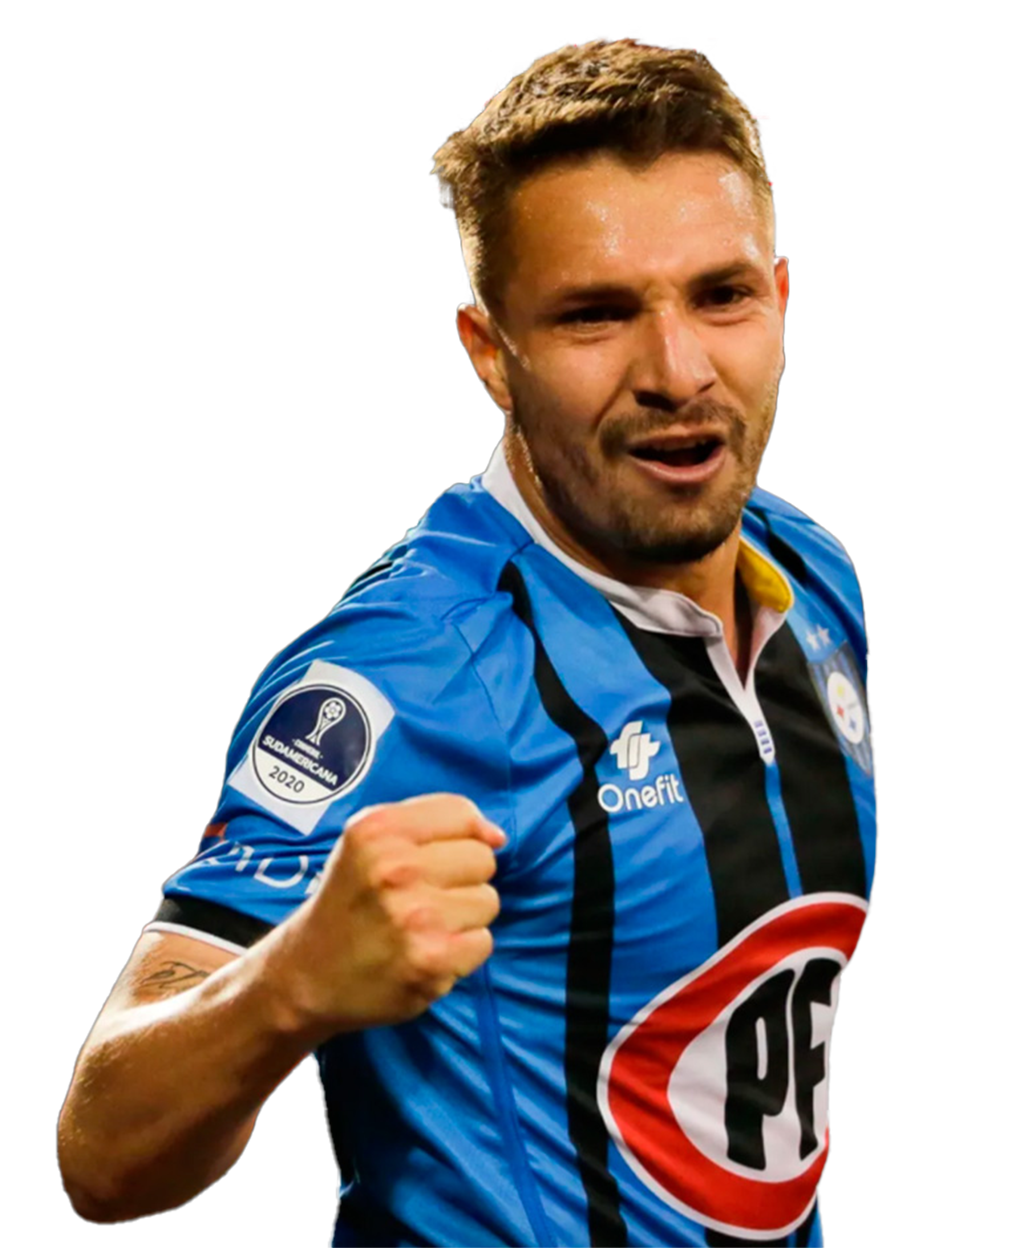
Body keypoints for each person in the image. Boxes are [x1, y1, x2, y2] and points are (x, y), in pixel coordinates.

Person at [57, 37, 875, 1248]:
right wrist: (286, 985)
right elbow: (102, 1153)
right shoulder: (406, 674)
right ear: (493, 356)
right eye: (595, 314)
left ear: (780, 302)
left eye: (720, 296)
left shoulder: (814, 573)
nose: (677, 370)